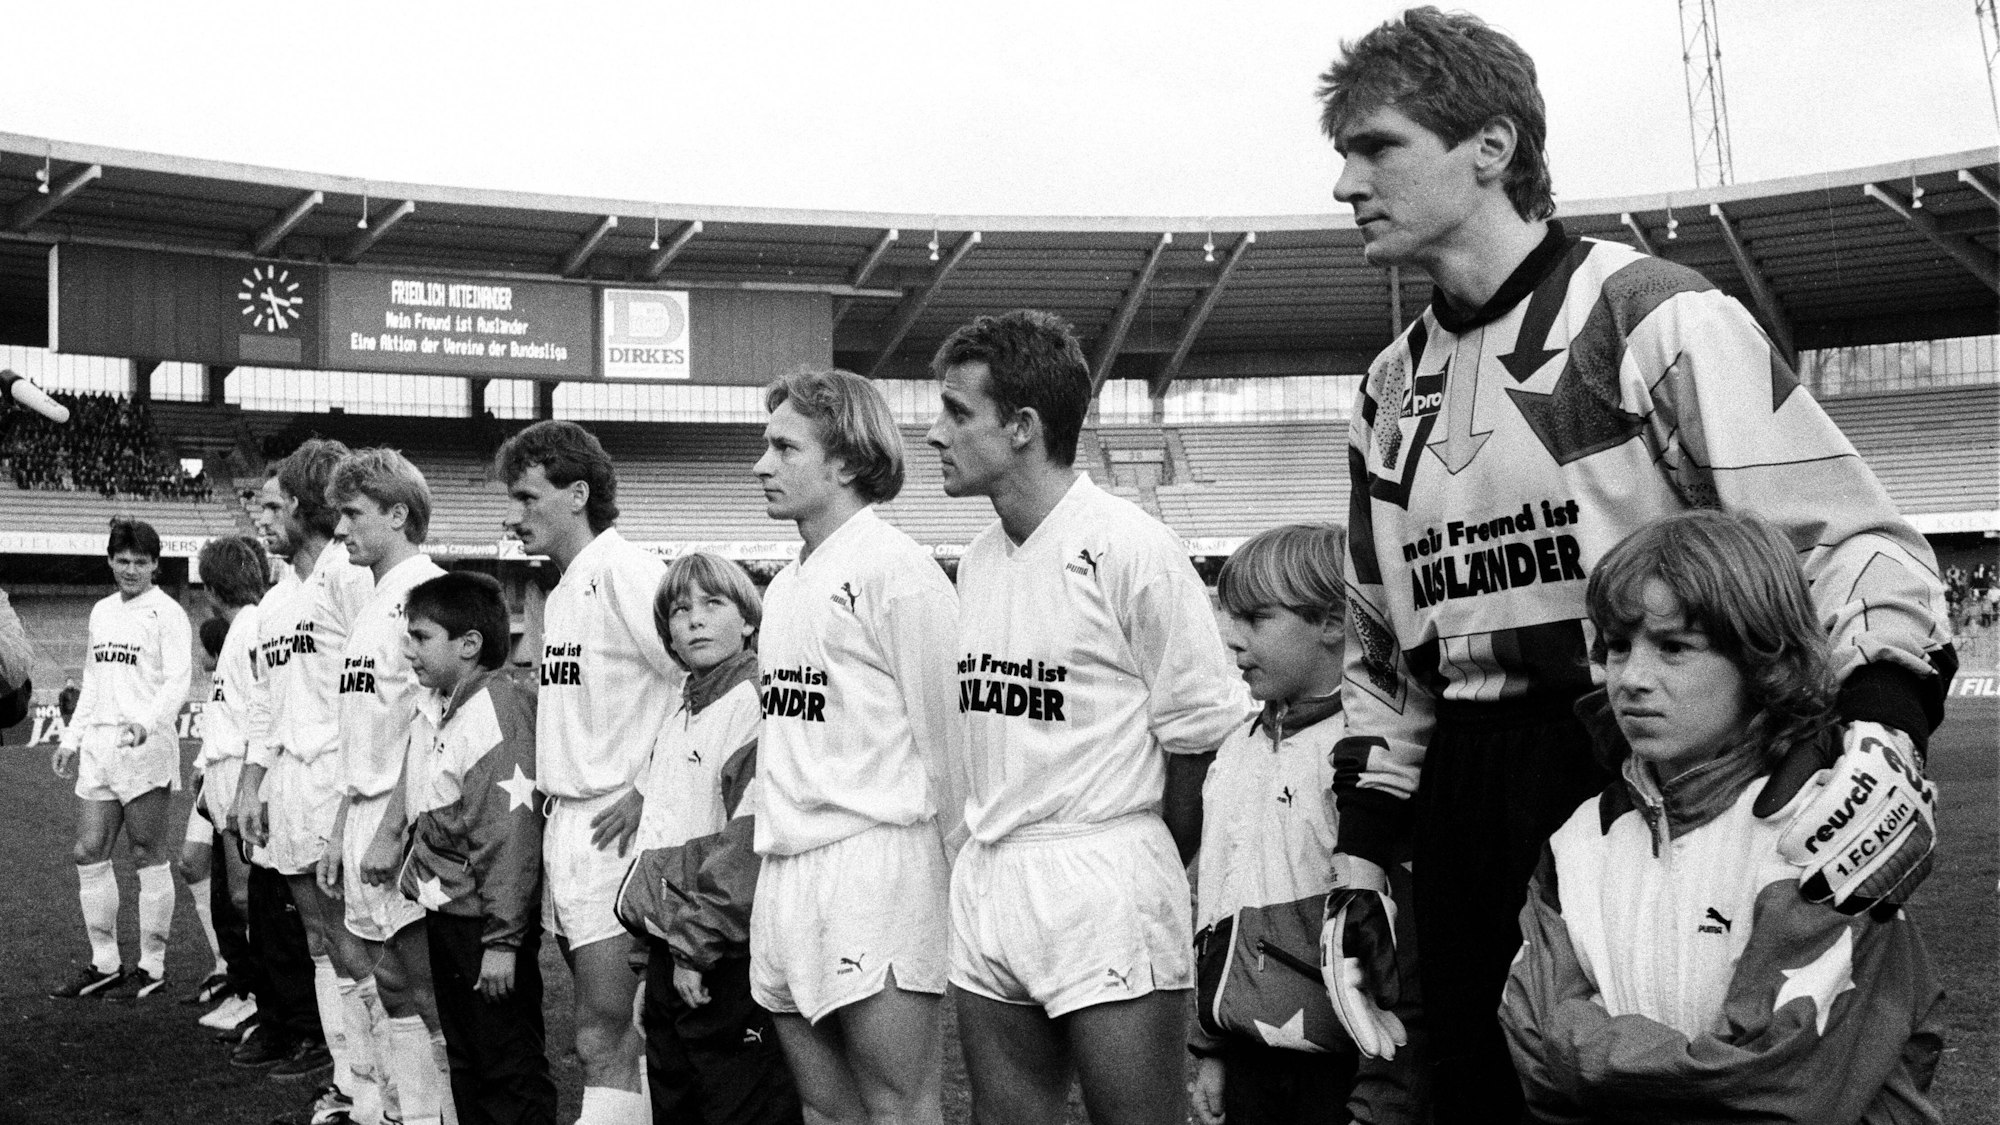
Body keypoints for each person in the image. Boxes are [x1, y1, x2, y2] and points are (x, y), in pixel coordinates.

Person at [1315, 10, 1957, 1122]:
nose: (1343, 183)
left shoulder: (1647, 317)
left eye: (1376, 147)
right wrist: (1363, 854)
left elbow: (1851, 540)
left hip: (1643, 781)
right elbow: (1383, 652)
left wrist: (1880, 722)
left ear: (1491, 146)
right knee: (1469, 1097)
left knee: (1656, 1097)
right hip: (1460, 803)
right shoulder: (1384, 387)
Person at [1501, 510, 1945, 1121]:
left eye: (1674, 648)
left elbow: (1778, 1084)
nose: (1631, 679)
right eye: (1618, 647)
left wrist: (1594, 1068)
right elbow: (1530, 1048)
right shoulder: (1578, 839)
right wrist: (1679, 1071)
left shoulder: (1833, 821)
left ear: (1765, 659)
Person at [925, 310, 1245, 1125]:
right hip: (994, 872)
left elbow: (1203, 737)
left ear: (1023, 427)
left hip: (1103, 868)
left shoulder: (1132, 547)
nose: (934, 433)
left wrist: (1140, 852)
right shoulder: (979, 559)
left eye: (958, 412)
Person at [750, 368, 962, 1125]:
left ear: (844, 460)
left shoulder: (899, 573)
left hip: (877, 865)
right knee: (825, 1108)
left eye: (783, 447)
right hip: (786, 871)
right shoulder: (781, 588)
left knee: (898, 1106)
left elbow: (950, 750)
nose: (761, 465)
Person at [1188, 524, 1429, 1125]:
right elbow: (1215, 907)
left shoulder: (1374, 758)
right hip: (1248, 1059)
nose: (1231, 640)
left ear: (1331, 622)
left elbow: (1402, 941)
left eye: (1256, 619)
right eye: (1227, 617)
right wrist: (1213, 1050)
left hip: (1348, 1069)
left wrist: (1386, 1092)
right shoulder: (1232, 753)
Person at [496, 420, 682, 1125]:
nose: (513, 517)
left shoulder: (627, 573)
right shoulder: (565, 586)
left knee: (605, 1033)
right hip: (569, 826)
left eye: (526, 496)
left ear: (578, 493)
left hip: (615, 829)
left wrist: (647, 787)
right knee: (611, 1032)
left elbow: (703, 681)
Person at [616, 551, 803, 1125]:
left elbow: (746, 842)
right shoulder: (681, 712)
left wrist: (694, 944)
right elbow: (664, 836)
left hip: (723, 955)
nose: (693, 619)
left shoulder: (756, 704)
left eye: (712, 604)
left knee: (737, 1108)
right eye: (678, 610)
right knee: (677, 1106)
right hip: (675, 952)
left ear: (749, 620)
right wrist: (649, 947)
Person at [231, 441, 382, 1122]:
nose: (261, 517)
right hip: (289, 778)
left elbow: (377, 685)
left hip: (338, 777)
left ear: (300, 503)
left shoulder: (350, 578)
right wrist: (249, 782)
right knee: (320, 937)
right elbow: (264, 703)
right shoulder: (274, 601)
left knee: (358, 940)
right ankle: (352, 1079)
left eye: (271, 503)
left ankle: (385, 1085)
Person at [395, 571, 557, 1125]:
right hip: (454, 916)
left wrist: (503, 941)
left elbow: (510, 839)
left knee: (505, 1069)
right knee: (470, 1063)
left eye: (421, 637)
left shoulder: (495, 710)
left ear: (468, 645)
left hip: (482, 927)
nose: (408, 650)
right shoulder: (454, 706)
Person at [322, 447, 453, 1125]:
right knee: (392, 983)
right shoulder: (372, 601)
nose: (340, 528)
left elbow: (432, 724)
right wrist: (343, 824)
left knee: (425, 990)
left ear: (397, 513)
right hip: (365, 813)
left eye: (352, 512)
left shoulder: (424, 594)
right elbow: (367, 728)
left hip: (406, 823)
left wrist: (392, 827)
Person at [50, 518, 193, 1000]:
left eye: (141, 562)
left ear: (155, 564)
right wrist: (71, 739)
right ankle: (105, 961)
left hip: (145, 745)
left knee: (146, 853)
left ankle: (152, 965)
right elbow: (92, 681)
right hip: (99, 747)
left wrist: (147, 724)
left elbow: (178, 681)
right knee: (88, 850)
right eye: (123, 560)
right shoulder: (101, 612)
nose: (131, 569)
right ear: (110, 560)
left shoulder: (168, 613)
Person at [184, 535, 272, 1034]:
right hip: (222, 774)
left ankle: (263, 996)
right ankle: (247, 987)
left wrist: (243, 784)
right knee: (232, 895)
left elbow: (259, 714)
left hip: (241, 774)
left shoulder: (252, 628)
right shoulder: (239, 629)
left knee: (246, 896)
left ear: (214, 587)